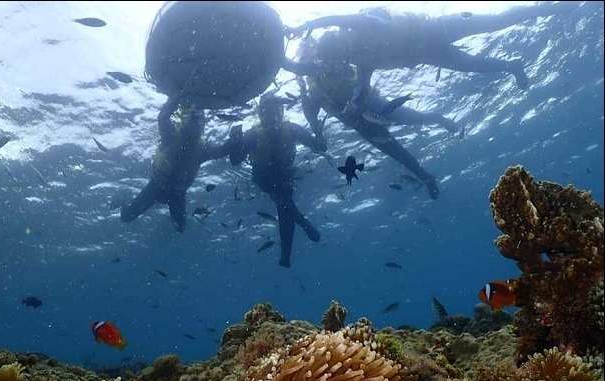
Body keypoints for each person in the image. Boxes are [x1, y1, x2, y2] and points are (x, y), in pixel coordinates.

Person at [285, 2, 578, 109]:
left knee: (497, 21)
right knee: (474, 65)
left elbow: (341, 18)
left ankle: (550, 7)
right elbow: (362, 84)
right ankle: (512, 66)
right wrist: (354, 100)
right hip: (430, 55)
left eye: (339, 51)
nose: (344, 56)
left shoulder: (359, 26)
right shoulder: (359, 60)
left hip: (437, 28)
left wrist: (307, 25)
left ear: (339, 41)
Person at [296, 36, 447, 199]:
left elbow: (359, 73)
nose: (309, 59)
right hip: (359, 122)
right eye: (303, 58)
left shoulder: (335, 57)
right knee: (398, 153)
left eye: (310, 50)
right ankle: (427, 178)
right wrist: (302, 90)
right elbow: (311, 117)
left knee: (416, 119)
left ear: (318, 49)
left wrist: (336, 68)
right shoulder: (313, 87)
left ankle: (438, 118)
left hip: (375, 104)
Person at [227, 92, 328, 268]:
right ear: (261, 114)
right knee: (283, 198)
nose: (272, 116)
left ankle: (286, 255)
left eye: (276, 110)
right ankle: (301, 225)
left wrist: (318, 133)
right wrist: (234, 142)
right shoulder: (253, 134)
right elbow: (235, 160)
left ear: (282, 112)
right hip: (263, 177)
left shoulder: (292, 129)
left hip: (286, 175)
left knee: (284, 203)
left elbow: (320, 147)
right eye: (267, 111)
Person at [121, 96, 232, 232]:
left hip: (172, 192)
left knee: (180, 228)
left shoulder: (200, 148)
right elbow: (221, 151)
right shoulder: (173, 136)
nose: (195, 123)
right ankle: (122, 201)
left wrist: (175, 98)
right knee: (126, 217)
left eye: (198, 120)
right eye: (192, 118)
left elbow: (163, 118)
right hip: (159, 188)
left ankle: (129, 205)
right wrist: (174, 99)